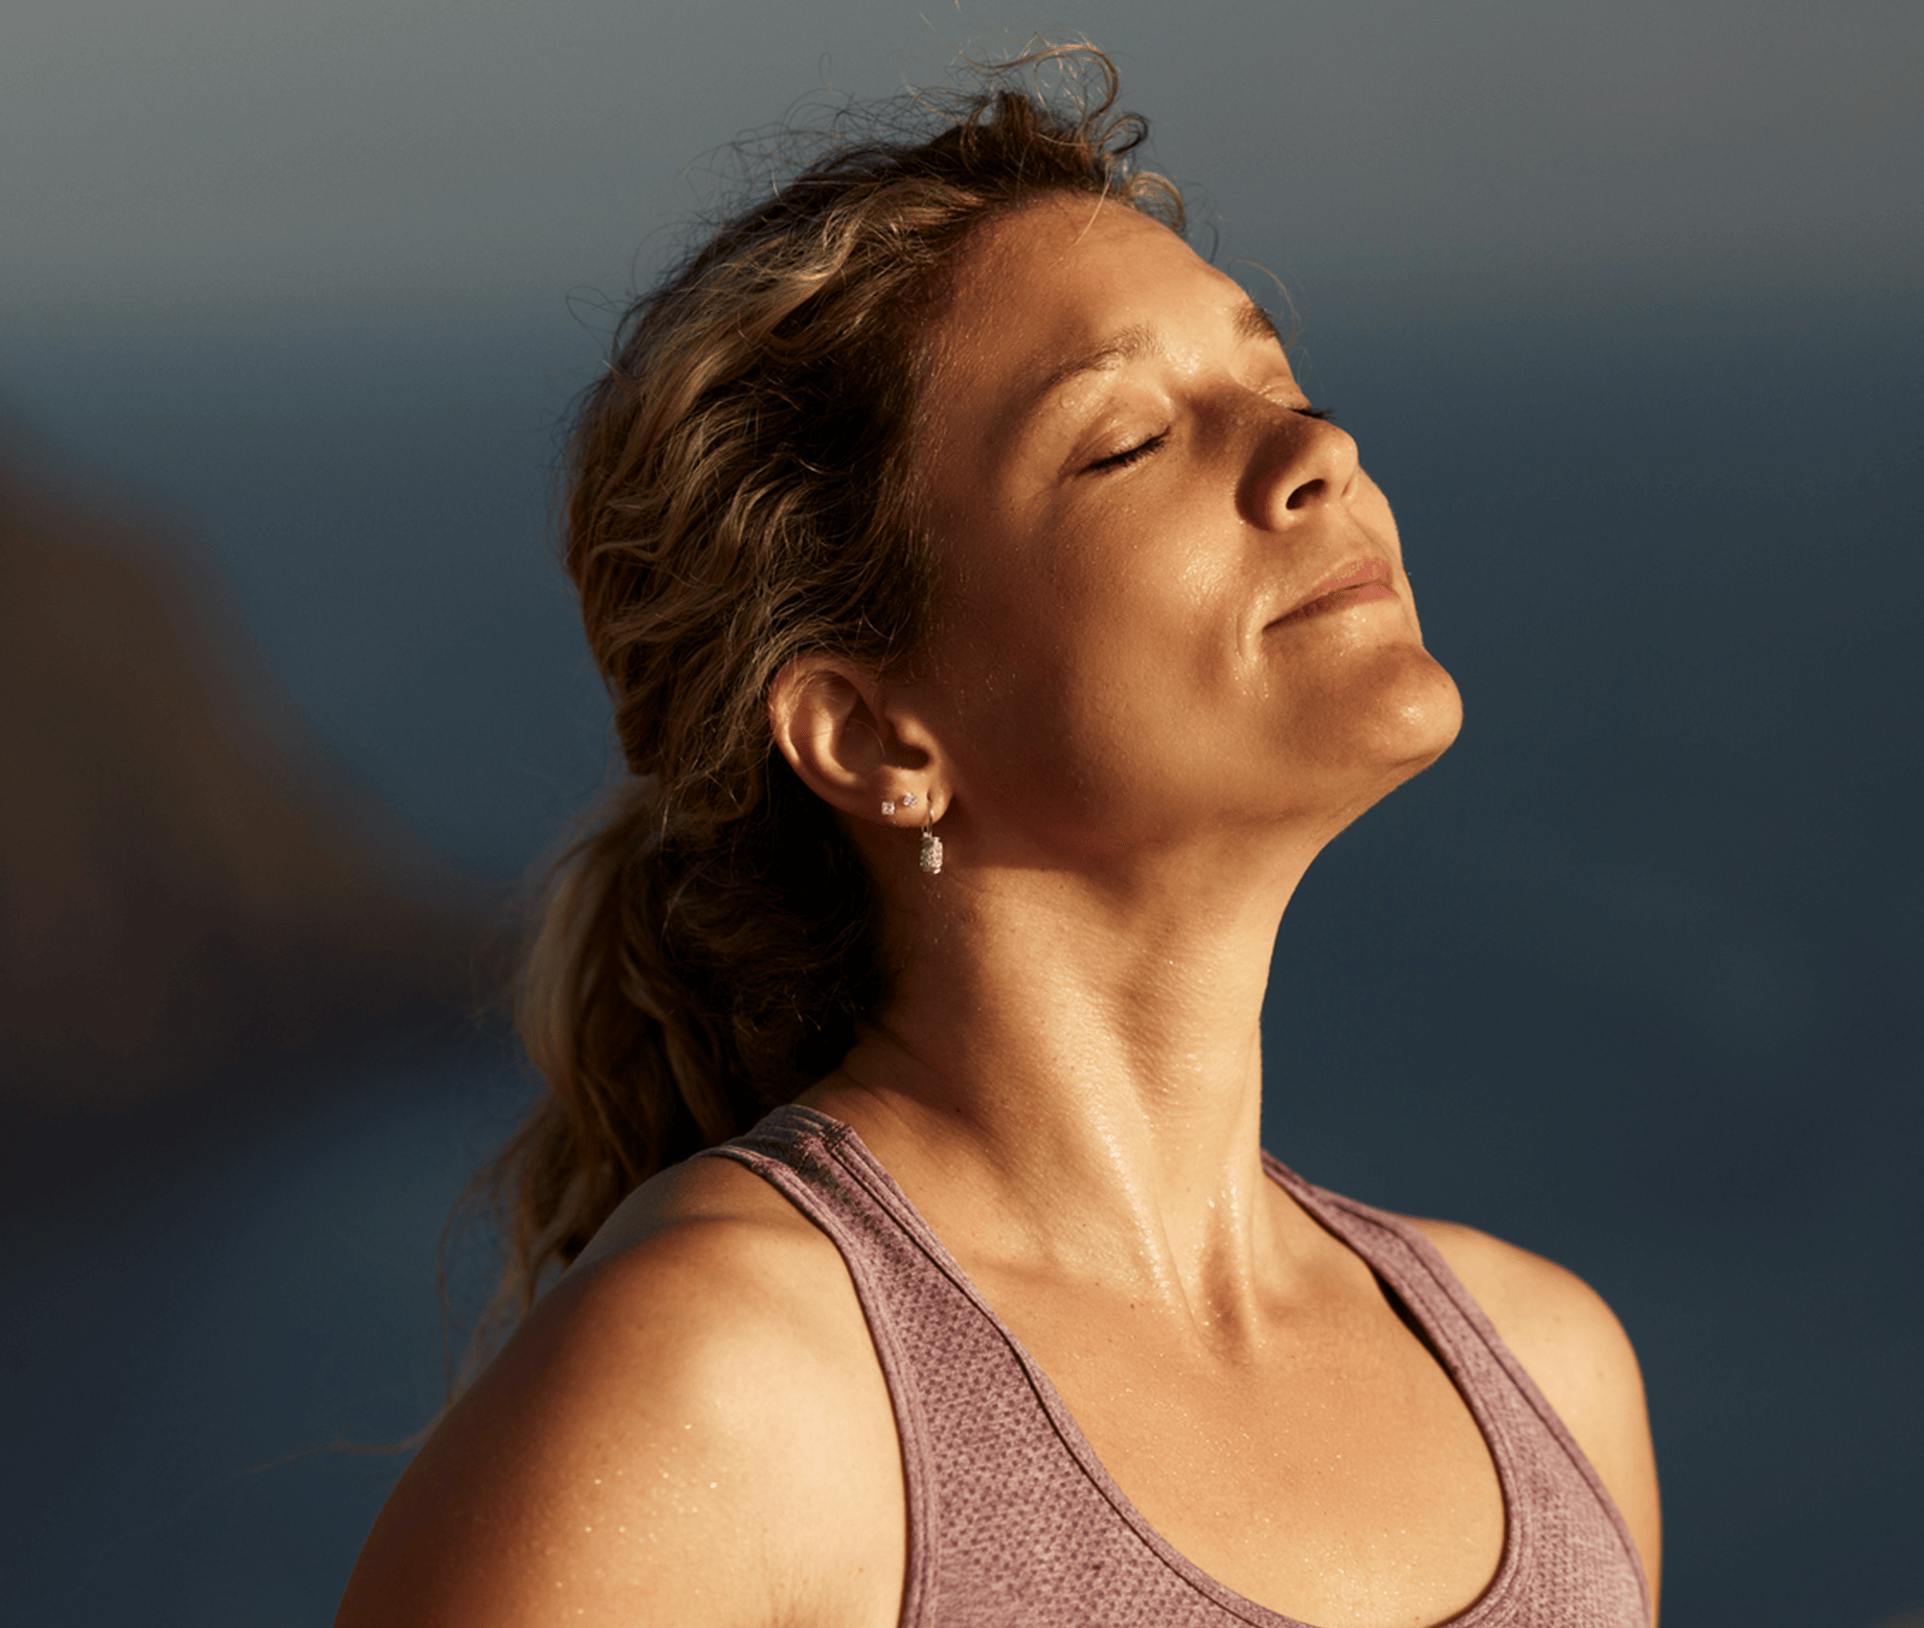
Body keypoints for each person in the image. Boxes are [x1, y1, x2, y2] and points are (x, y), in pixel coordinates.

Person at [337, 43, 1661, 1628]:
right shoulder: (721, 1404)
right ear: (876, 735)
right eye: (1125, 442)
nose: (1322, 454)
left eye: (1278, 384)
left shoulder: (1545, 1376)